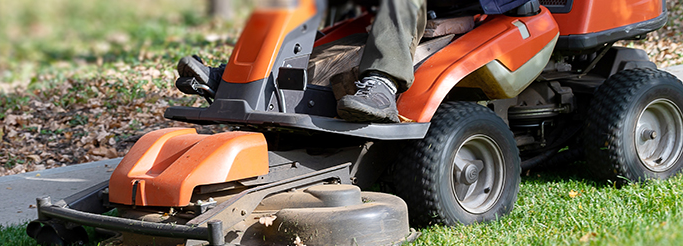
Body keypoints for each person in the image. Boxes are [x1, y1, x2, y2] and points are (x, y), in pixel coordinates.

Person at [178, 0, 534, 123]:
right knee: (330, 49)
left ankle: (382, 85)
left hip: (467, 13)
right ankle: (244, 78)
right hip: (412, 15)